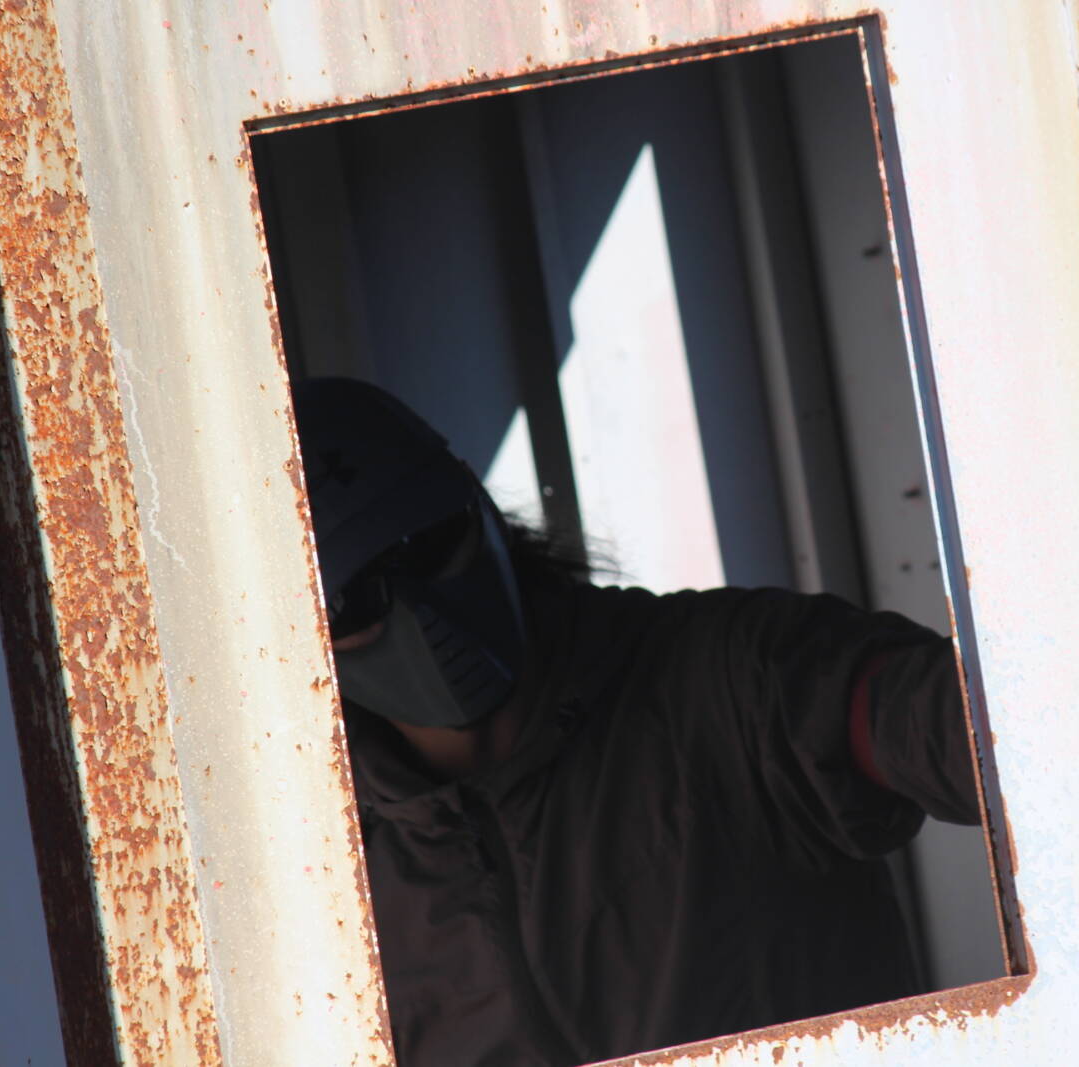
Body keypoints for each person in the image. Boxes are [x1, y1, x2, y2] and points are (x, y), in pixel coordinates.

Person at [293, 377, 981, 1067]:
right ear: (305, 633)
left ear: (479, 510)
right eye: (355, 599)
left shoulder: (732, 680)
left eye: (424, 543)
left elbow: (947, 723)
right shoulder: (330, 887)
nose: (418, 613)